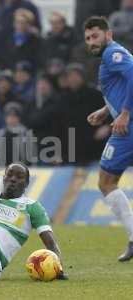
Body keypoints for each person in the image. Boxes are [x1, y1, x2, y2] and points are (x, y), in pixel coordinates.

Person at [85, 16, 133, 261]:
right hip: (124, 124)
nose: (91, 42)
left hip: (127, 128)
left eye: (95, 36)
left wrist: (125, 113)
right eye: (88, 38)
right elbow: (124, 85)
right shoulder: (111, 57)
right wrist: (106, 111)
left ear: (108, 34)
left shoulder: (112, 54)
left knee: (106, 182)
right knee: (106, 181)